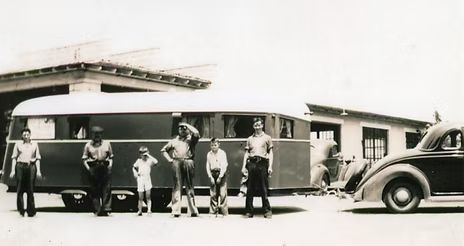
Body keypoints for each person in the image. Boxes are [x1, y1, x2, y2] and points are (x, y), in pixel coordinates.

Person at [161, 122, 200, 217]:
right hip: (176, 162)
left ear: (187, 130)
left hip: (188, 161)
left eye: (184, 128)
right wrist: (170, 160)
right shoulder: (174, 141)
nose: (182, 130)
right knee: (177, 186)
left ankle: (192, 211)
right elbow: (163, 150)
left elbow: (197, 133)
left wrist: (187, 124)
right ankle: (176, 211)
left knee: (189, 186)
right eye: (180, 128)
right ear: (178, 130)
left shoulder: (191, 140)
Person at [241, 117, 273, 218]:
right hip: (252, 163)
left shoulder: (267, 138)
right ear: (253, 126)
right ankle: (249, 211)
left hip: (262, 163)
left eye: (259, 124)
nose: (257, 126)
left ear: (262, 125)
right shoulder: (250, 139)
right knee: (250, 188)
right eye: (255, 125)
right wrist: (243, 166)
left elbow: (271, 153)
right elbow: (246, 153)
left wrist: (270, 167)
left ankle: (267, 211)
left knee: (264, 188)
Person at [9, 128, 42, 217]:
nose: (26, 136)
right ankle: (21, 211)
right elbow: (14, 158)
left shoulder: (34, 144)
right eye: (24, 135)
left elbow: (38, 158)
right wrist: (12, 171)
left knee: (30, 189)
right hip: (20, 166)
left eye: (27, 134)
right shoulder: (18, 144)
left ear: (30, 135)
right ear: (22, 136)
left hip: (31, 167)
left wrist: (38, 171)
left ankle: (31, 211)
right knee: (20, 189)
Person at [82, 126, 114, 216]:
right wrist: (89, 169)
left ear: (101, 135)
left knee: (106, 188)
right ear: (92, 135)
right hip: (94, 166)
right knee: (94, 189)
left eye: (99, 134)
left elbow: (111, 157)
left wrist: (110, 166)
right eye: (95, 134)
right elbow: (84, 159)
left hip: (104, 166)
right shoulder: (88, 145)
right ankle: (97, 209)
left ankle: (106, 208)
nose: (97, 136)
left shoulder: (107, 144)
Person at [132, 146, 158, 216]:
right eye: (142, 154)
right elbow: (134, 167)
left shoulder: (149, 161)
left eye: (145, 154)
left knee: (148, 196)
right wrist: (135, 173)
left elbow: (156, 161)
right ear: (140, 154)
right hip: (140, 178)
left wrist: (149, 155)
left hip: (147, 179)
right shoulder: (138, 161)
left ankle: (149, 210)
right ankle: (140, 210)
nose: (144, 155)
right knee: (140, 197)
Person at [206, 138, 229, 216]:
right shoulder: (209, 154)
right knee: (213, 193)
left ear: (219, 145)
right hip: (213, 173)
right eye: (212, 145)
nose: (213, 147)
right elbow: (207, 166)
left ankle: (224, 212)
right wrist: (210, 177)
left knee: (222, 193)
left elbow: (224, 165)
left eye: (215, 145)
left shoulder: (222, 153)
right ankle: (213, 211)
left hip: (221, 173)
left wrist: (220, 176)